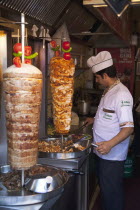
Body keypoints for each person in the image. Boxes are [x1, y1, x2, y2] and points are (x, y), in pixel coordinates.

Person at [85, 51, 134, 210]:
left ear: (105, 75)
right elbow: (110, 115)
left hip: (112, 155)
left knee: (111, 191)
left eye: (98, 78)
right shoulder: (109, 90)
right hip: (103, 152)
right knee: (105, 188)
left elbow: (128, 128)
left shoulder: (121, 94)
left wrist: (109, 145)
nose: (97, 81)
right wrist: (95, 120)